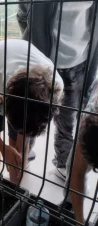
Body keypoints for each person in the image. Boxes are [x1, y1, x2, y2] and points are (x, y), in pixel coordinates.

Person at [17, 1, 98, 180]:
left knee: (67, 120)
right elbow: (23, 14)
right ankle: (24, 154)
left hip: (78, 63)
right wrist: (35, 42)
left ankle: (61, 164)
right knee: (32, 113)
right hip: (41, 62)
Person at [0, 39, 63, 183]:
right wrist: (2, 147)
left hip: (27, 82)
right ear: (2, 100)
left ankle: (14, 189)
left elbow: (23, 139)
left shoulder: (54, 88)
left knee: (21, 148)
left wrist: (19, 149)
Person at [64, 79, 98, 225]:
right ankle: (72, 205)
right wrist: (79, 221)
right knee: (74, 165)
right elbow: (77, 171)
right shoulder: (89, 121)